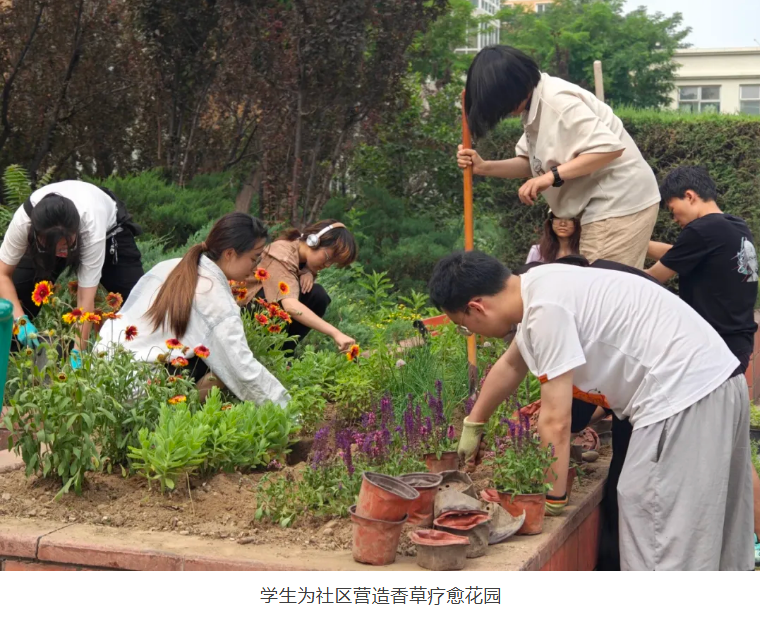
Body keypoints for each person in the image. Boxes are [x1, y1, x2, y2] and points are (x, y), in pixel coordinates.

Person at [431, 250, 753, 570]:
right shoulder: (542, 285)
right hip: (719, 384)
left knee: (659, 531)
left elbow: (556, 421)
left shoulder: (545, 310)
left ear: (477, 307)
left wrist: (552, 499)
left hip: (682, 399)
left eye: (464, 326)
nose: (470, 333)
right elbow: (511, 365)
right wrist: (474, 423)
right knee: (714, 532)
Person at [644, 165, 760, 567]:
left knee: (706, 465)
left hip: (710, 361)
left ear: (690, 196)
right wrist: (639, 239)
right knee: (738, 461)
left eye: (674, 209)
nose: (675, 218)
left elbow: (653, 278)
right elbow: (680, 252)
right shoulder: (734, 228)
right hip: (737, 351)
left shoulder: (701, 231)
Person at [457, 45, 660, 268]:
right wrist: (484, 167)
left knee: (599, 286)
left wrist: (550, 177)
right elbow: (530, 164)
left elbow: (608, 148)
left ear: (511, 88)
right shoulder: (534, 106)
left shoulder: (557, 102)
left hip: (620, 201)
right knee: (600, 284)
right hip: (605, 206)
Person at [96, 213, 289, 408]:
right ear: (229, 254)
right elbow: (242, 368)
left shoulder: (169, 266)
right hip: (139, 392)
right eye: (254, 258)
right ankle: (175, 414)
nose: (256, 267)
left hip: (102, 374)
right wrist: (287, 409)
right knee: (222, 367)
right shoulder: (214, 296)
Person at [0, 180, 144, 359]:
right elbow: (2, 274)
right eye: (54, 247)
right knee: (16, 293)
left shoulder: (91, 228)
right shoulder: (24, 221)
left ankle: (142, 357)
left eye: (66, 246)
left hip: (108, 232)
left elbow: (85, 298)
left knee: (137, 300)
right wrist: (20, 321)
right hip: (50, 236)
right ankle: (9, 357)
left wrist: (78, 352)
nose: (62, 254)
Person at [244, 220, 358, 354]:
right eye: (328, 257)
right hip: (245, 312)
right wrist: (335, 333)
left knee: (318, 295)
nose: (327, 265)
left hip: (266, 313)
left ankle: (283, 352)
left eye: (333, 263)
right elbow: (290, 305)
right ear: (314, 241)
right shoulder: (282, 254)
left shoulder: (303, 259)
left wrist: (307, 270)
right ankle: (266, 350)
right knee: (284, 299)